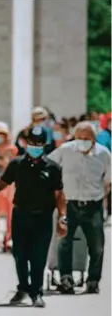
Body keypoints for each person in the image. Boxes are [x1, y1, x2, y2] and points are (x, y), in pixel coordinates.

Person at [0, 126, 67, 308]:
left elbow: (59, 194)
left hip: (43, 217)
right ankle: (23, 287)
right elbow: (1, 183)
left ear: (44, 144)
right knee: (20, 254)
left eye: (39, 143)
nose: (35, 146)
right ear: (26, 142)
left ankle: (36, 292)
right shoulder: (17, 163)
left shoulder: (53, 167)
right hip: (21, 215)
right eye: (32, 142)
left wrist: (62, 217)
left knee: (38, 256)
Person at [48, 121, 111, 294]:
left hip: (93, 205)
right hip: (69, 204)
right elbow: (48, 166)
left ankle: (93, 280)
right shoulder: (65, 150)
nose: (82, 141)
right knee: (64, 242)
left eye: (87, 138)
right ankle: (66, 278)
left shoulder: (104, 154)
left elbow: (108, 180)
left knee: (97, 245)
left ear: (94, 139)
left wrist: (102, 200)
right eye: (79, 138)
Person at [0, 122, 18, 251]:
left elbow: (9, 165)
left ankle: (9, 238)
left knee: (10, 212)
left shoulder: (11, 148)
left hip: (8, 184)